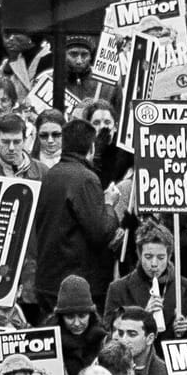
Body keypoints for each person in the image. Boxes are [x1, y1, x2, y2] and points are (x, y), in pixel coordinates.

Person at [24, 119, 121, 320]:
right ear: (92, 147)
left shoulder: (51, 174)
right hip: (76, 287)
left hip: (48, 282)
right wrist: (110, 205)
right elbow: (100, 232)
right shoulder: (85, 178)